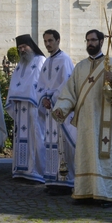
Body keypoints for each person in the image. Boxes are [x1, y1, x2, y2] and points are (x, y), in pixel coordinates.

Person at [52, 29, 112, 206]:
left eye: (93, 40)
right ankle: (85, 192)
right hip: (86, 122)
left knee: (103, 158)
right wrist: (61, 109)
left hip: (105, 122)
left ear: (102, 42)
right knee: (85, 156)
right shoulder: (80, 67)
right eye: (87, 40)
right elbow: (70, 91)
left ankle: (105, 194)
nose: (90, 43)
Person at [6, 34, 48, 182]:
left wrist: (26, 94)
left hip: (34, 107)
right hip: (20, 107)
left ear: (31, 46)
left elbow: (40, 83)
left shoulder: (41, 61)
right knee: (20, 139)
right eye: (20, 48)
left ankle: (37, 171)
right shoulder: (20, 65)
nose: (22, 50)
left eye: (24, 47)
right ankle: (22, 171)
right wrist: (14, 97)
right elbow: (14, 84)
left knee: (37, 138)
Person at [39, 29, 76, 194]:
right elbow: (39, 85)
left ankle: (65, 182)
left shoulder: (65, 60)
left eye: (50, 41)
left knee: (63, 145)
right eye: (45, 41)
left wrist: (51, 98)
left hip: (60, 110)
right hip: (49, 112)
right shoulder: (46, 63)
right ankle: (52, 180)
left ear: (58, 40)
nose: (48, 44)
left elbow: (67, 84)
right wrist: (43, 98)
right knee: (51, 144)